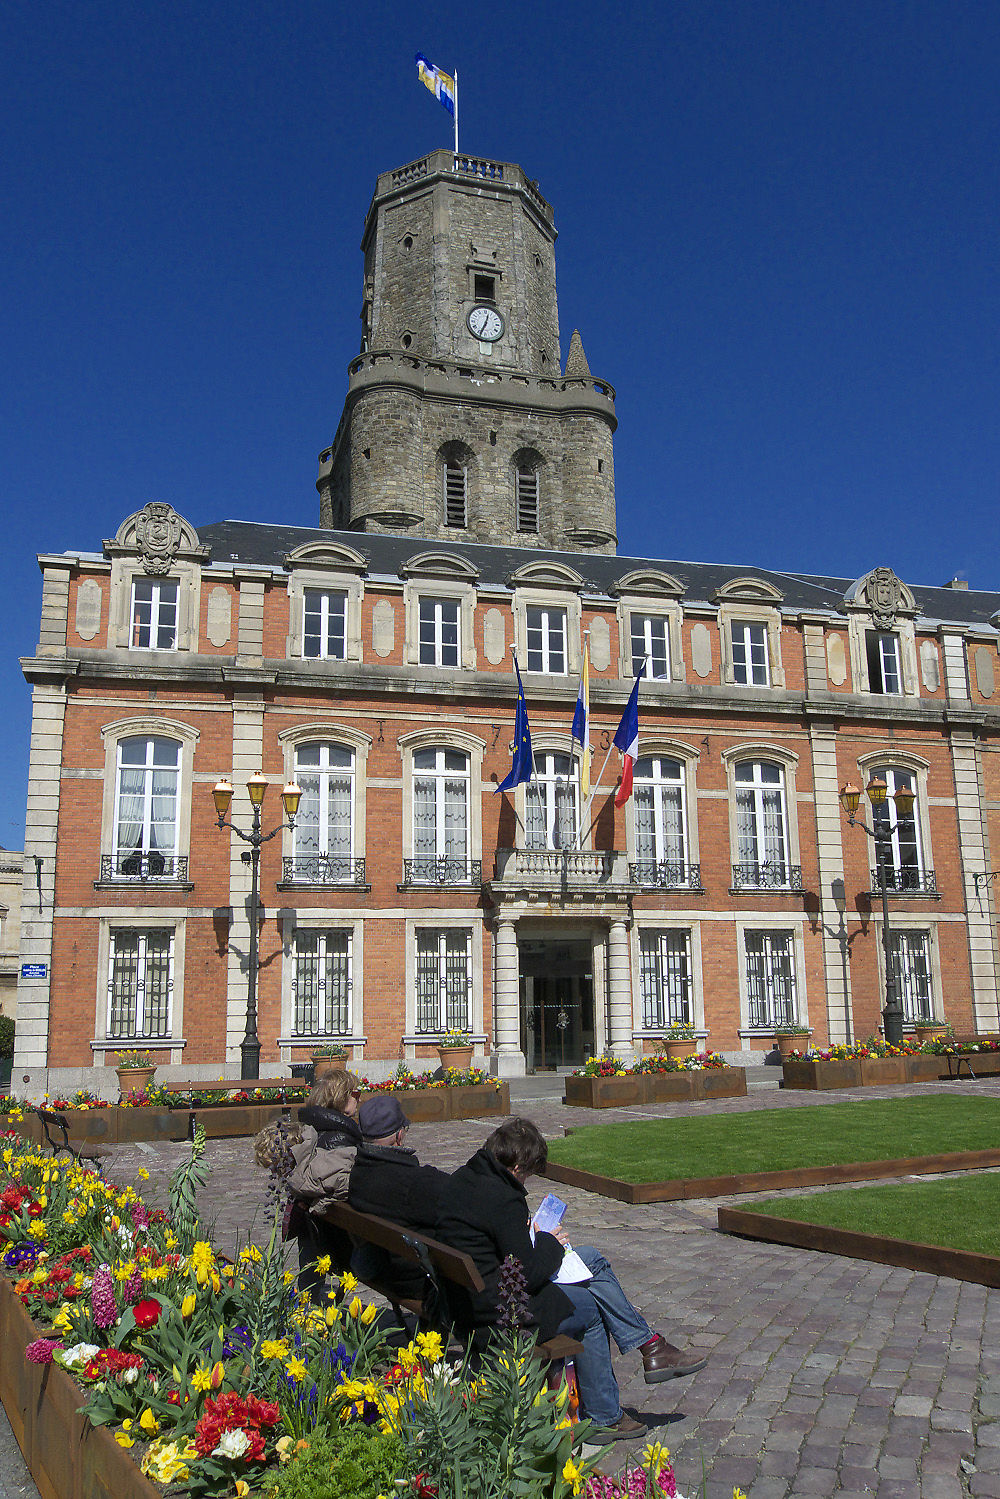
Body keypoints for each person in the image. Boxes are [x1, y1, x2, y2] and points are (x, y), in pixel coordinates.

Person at [435, 1116, 707, 1444]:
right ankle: (605, 1415)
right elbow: (528, 1275)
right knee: (591, 1310)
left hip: (467, 1295)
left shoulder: (467, 1177)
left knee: (592, 1258)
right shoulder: (503, 1198)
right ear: (519, 1166)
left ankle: (651, 1346)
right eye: (530, 1173)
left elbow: (505, 1250)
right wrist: (549, 1240)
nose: (528, 1182)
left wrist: (534, 1239)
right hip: (499, 1311)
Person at [347, 1095, 451, 1301]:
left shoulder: (358, 1172)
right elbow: (458, 1199)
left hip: (380, 1268)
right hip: (414, 1278)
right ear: (399, 1136)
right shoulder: (412, 1181)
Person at [284, 1069, 364, 1297]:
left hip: (311, 1228)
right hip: (334, 1236)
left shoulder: (309, 1129)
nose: (359, 1098)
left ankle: (308, 1303)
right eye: (355, 1094)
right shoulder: (342, 1138)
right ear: (339, 1098)